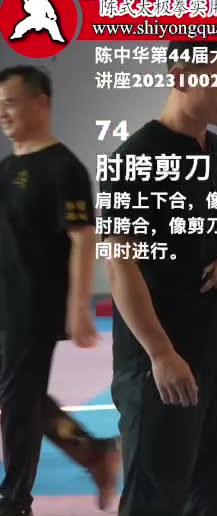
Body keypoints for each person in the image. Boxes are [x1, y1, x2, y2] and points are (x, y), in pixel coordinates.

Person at [99, 40, 217, 516]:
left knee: (216, 495)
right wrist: (161, 354)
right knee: (155, 501)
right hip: (159, 365)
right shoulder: (135, 158)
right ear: (183, 77)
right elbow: (119, 264)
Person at [0, 65, 120, 516]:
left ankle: (14, 500)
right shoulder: (8, 167)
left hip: (35, 306)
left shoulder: (62, 167)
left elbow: (83, 237)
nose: (3, 113)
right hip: (5, 301)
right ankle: (93, 452)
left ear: (41, 103)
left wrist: (79, 306)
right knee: (20, 397)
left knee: (17, 401)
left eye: (11, 103)